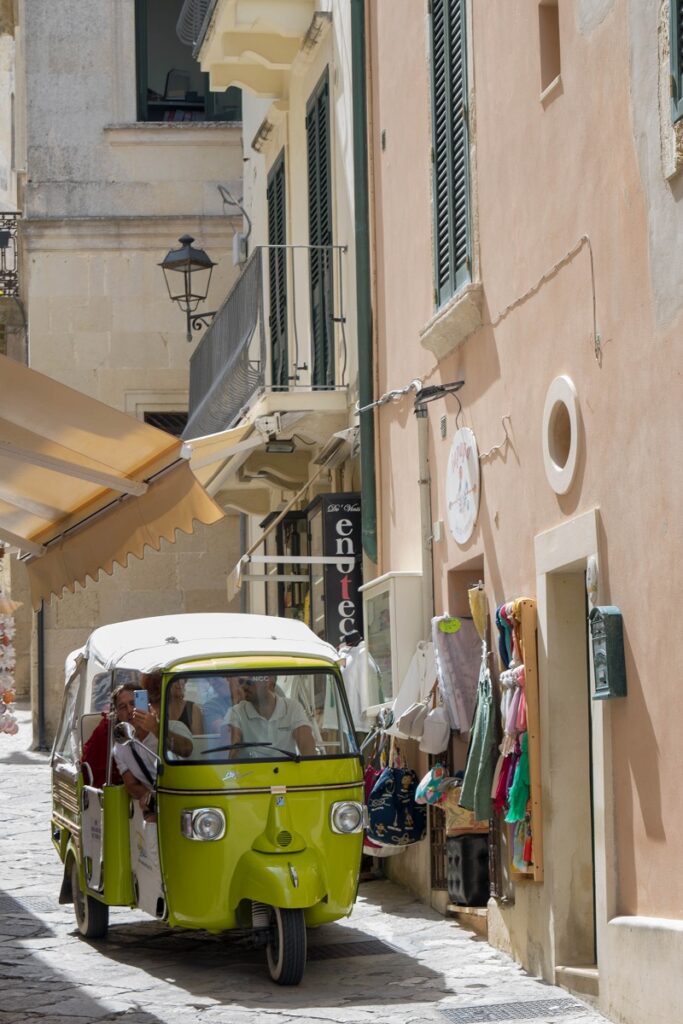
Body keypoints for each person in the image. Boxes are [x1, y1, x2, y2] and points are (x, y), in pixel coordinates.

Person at [224, 675, 316, 757]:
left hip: (287, 772)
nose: (243, 687)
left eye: (250, 682)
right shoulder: (236, 712)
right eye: (240, 682)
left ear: (269, 682)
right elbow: (230, 747)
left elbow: (307, 747)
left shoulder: (292, 708)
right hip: (250, 774)